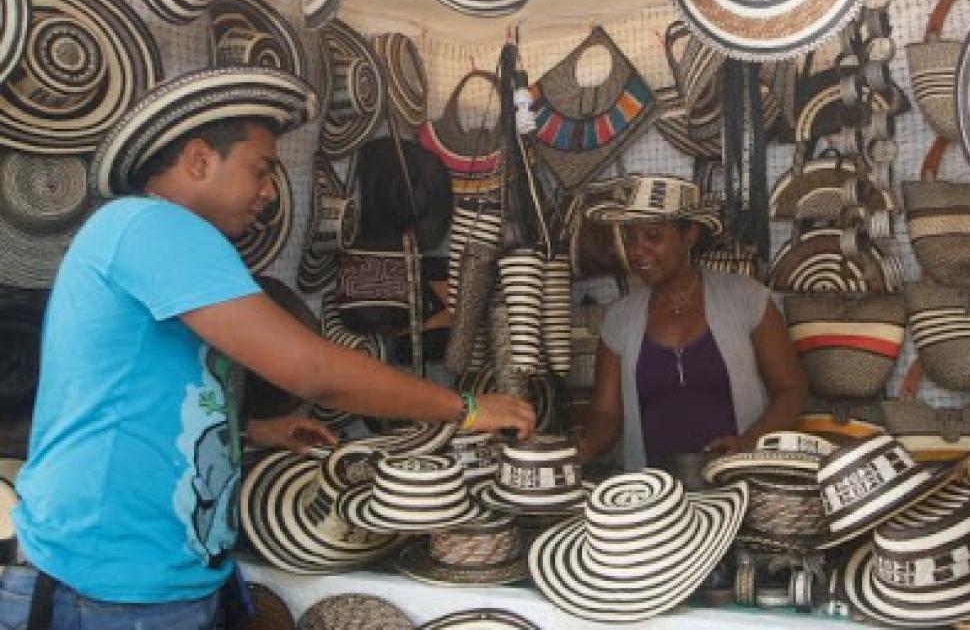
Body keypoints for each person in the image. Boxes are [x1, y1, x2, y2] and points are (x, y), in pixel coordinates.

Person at [0, 68, 535, 630]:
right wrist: (467, 409)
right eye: (260, 170)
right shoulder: (153, 226)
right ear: (200, 159)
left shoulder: (151, 236)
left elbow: (143, 391)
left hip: (146, 580)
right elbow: (313, 370)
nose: (269, 192)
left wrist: (248, 431)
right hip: (111, 588)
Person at [576, 175, 807, 470]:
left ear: (690, 235)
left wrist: (749, 443)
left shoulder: (747, 299)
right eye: (631, 237)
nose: (636, 251)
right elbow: (606, 415)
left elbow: (791, 390)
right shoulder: (619, 320)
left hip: (737, 484)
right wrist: (583, 447)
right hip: (655, 496)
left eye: (653, 237)